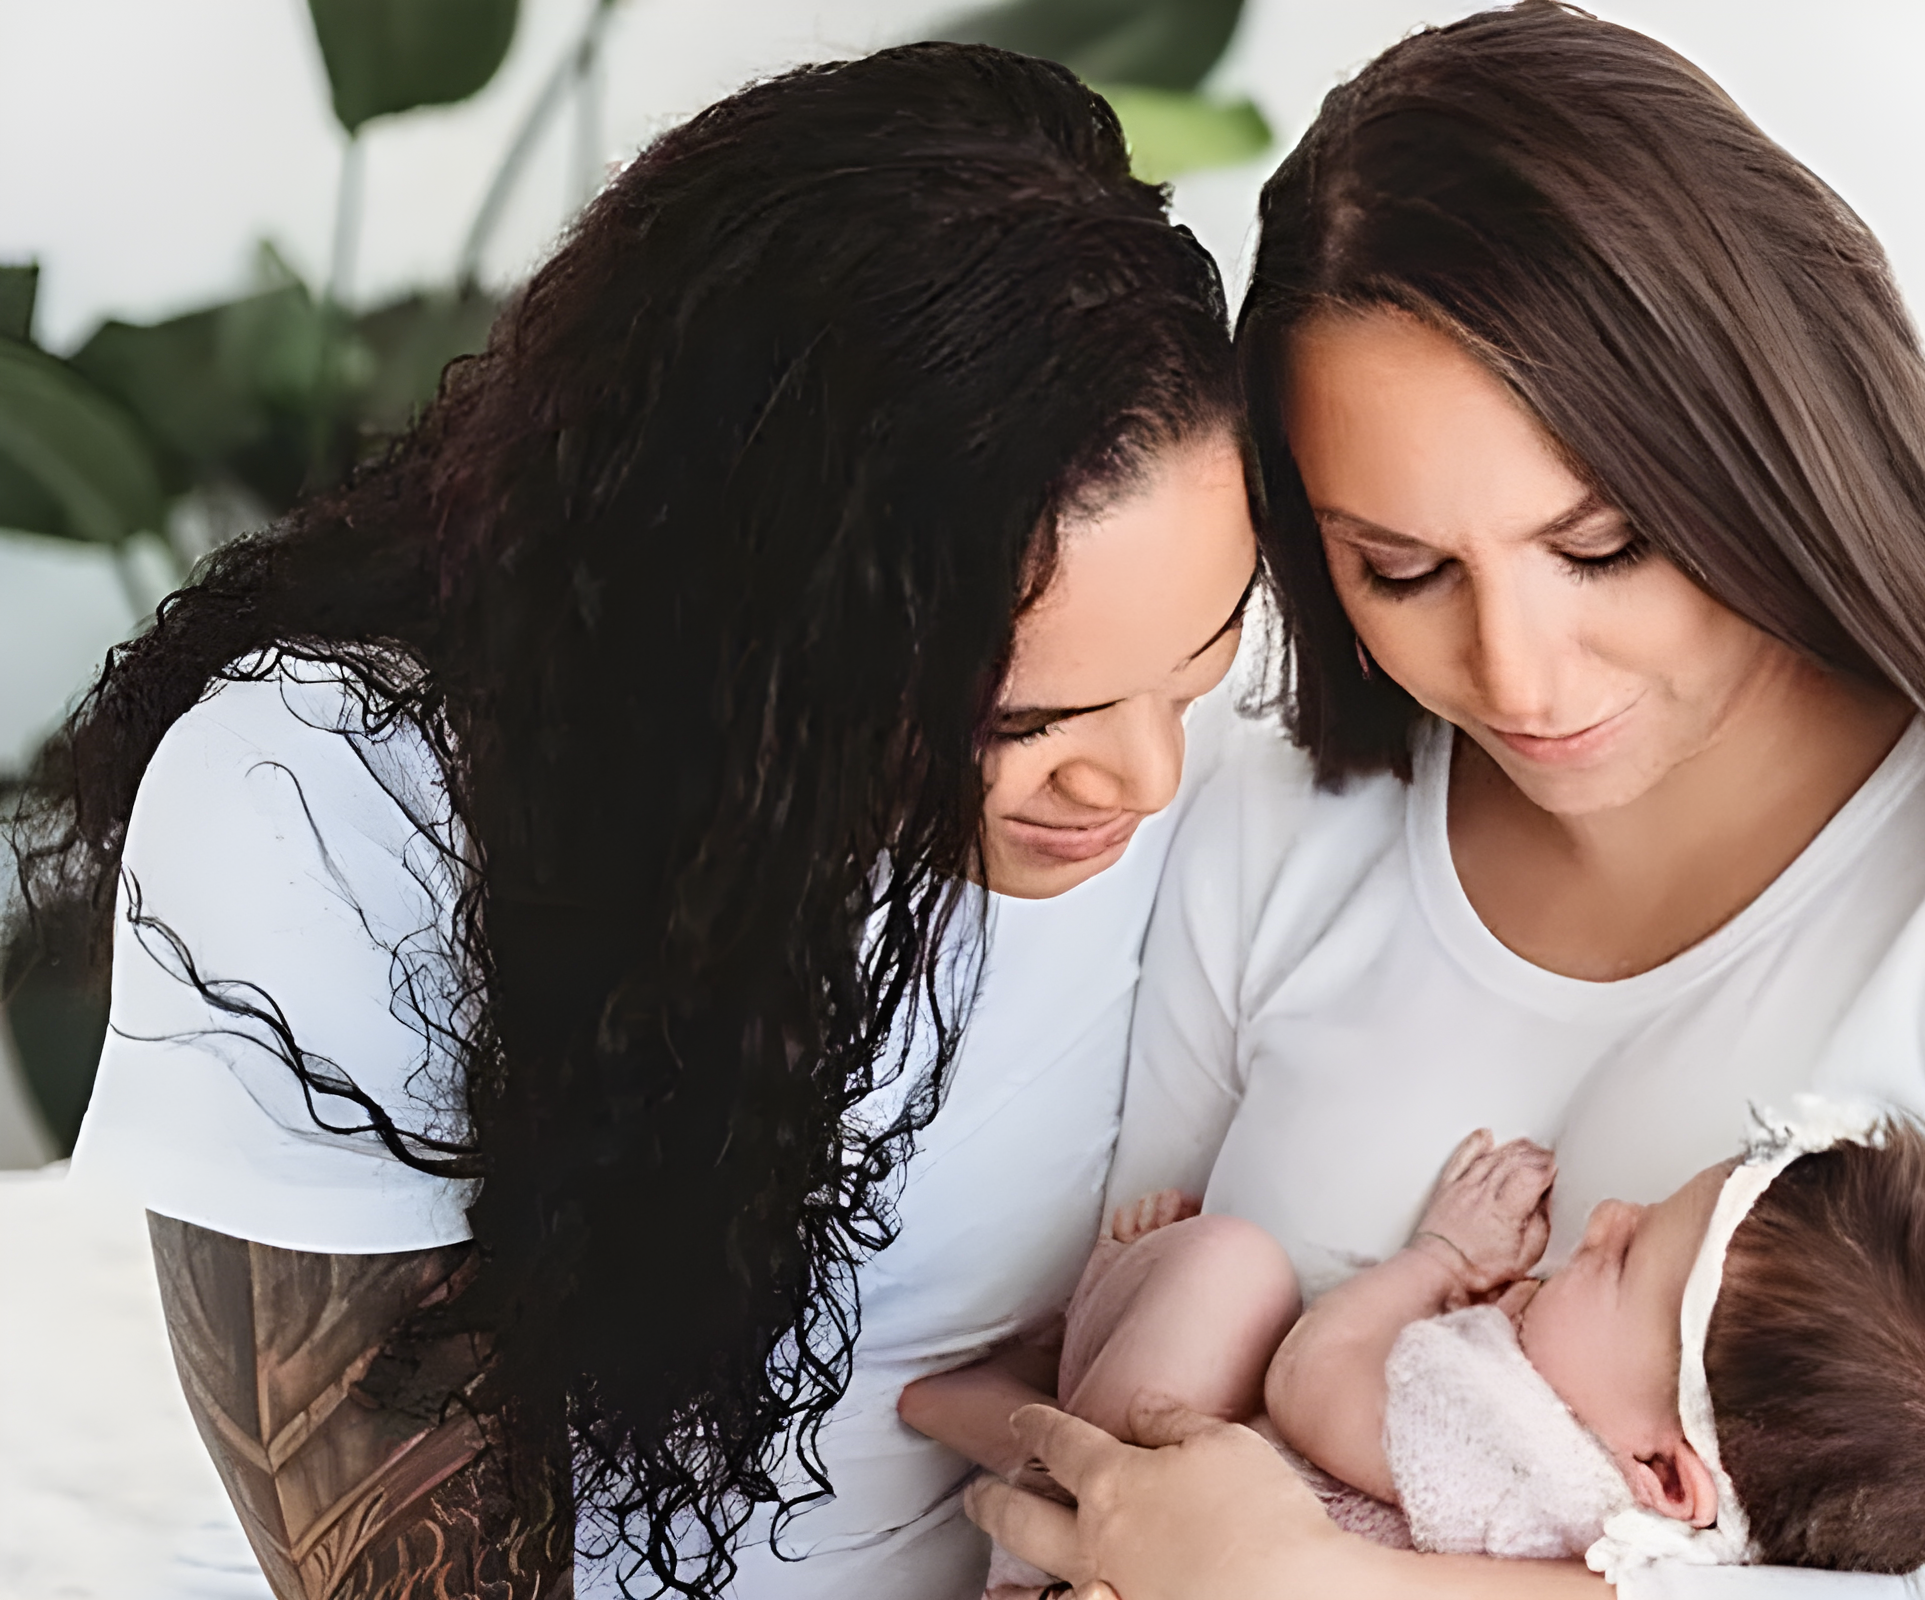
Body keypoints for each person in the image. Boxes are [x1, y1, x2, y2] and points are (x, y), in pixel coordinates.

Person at [963, 5, 1925, 1597]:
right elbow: (1081, 1394)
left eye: (1602, 547)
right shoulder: (1274, 830)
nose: (1520, 676)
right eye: (1401, 570)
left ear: (1763, 446)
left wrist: (1331, 1586)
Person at [7, 43, 1254, 1600]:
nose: (1139, 779)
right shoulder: (329, 797)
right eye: (1013, 723)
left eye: (1198, 671)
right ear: (740, 638)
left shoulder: (1255, 765)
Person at [917, 1104, 1925, 1583]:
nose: (1607, 1218)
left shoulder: (1523, 1462)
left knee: (1231, 1272)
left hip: (1126, 1553)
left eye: (1622, 1260)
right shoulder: (1649, 1539)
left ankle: (1012, 1421)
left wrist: (1433, 1260)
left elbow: (1311, 1382)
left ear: (1663, 1472)